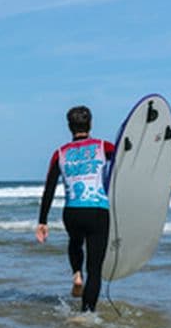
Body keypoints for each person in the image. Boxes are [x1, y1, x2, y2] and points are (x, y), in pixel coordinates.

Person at [35, 106, 115, 313]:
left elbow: (49, 188)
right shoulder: (103, 147)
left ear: (69, 127)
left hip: (72, 212)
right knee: (95, 269)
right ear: (90, 124)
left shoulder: (60, 153)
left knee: (75, 243)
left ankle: (76, 274)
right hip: (97, 210)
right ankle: (87, 314)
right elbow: (128, 163)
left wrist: (42, 221)